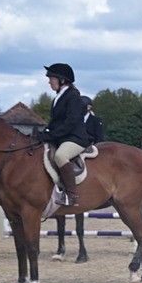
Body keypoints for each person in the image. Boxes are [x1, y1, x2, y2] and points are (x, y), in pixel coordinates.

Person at [38, 63, 89, 206]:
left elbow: (70, 122)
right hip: (62, 137)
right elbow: (56, 122)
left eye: (51, 78)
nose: (49, 81)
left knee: (61, 155)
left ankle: (71, 196)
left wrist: (52, 135)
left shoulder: (73, 97)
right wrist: (45, 133)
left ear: (62, 80)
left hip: (75, 138)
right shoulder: (58, 97)